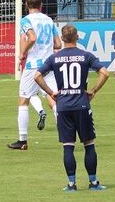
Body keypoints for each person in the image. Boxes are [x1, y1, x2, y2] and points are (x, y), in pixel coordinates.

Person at [33, 23, 109, 192]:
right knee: (89, 144)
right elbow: (105, 73)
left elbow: (37, 76)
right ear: (77, 37)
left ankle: (71, 184)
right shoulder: (85, 55)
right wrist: (93, 90)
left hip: (63, 106)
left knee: (68, 145)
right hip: (82, 104)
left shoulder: (54, 58)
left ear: (61, 38)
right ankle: (93, 182)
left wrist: (51, 92)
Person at [8, 0, 62, 150]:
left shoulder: (26, 20)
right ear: (41, 4)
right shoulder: (49, 20)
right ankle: (66, 133)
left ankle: (22, 140)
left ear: (26, 4)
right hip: (49, 64)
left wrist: (23, 53)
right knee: (53, 97)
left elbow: (32, 37)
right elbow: (58, 44)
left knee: (24, 100)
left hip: (33, 66)